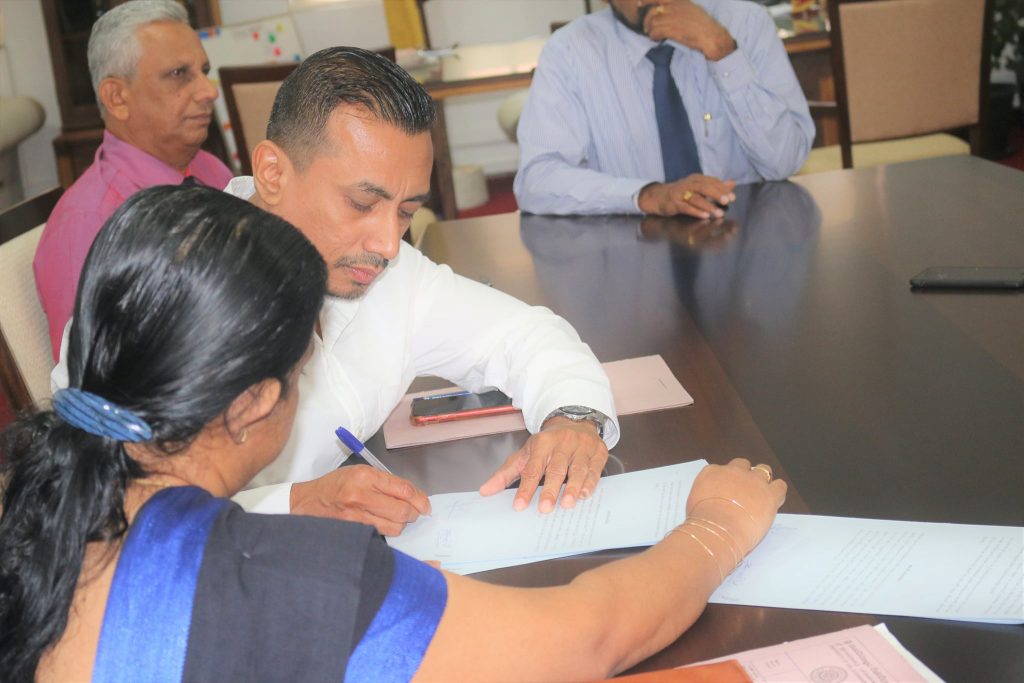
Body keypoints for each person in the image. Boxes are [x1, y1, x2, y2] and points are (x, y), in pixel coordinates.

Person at [0, 185, 786, 682]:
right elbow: (589, 638)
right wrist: (718, 527)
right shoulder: (288, 580)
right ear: (254, 403)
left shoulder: (33, 503)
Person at [224, 47, 621, 532]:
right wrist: (294, 502)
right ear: (272, 173)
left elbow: (524, 334)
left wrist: (572, 418)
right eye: (362, 203)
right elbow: (142, 507)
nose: (389, 244)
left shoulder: (389, 273)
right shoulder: (177, 297)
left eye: (406, 212)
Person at [34, 0, 232, 359]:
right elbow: (93, 377)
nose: (209, 91)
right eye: (179, 74)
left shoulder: (209, 169)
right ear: (117, 97)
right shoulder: (90, 223)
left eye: (204, 71)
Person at [514, 0, 814, 217]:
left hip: (747, 241)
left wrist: (723, 52)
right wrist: (647, 195)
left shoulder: (746, 24)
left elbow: (784, 161)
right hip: (634, 254)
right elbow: (537, 180)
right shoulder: (569, 52)